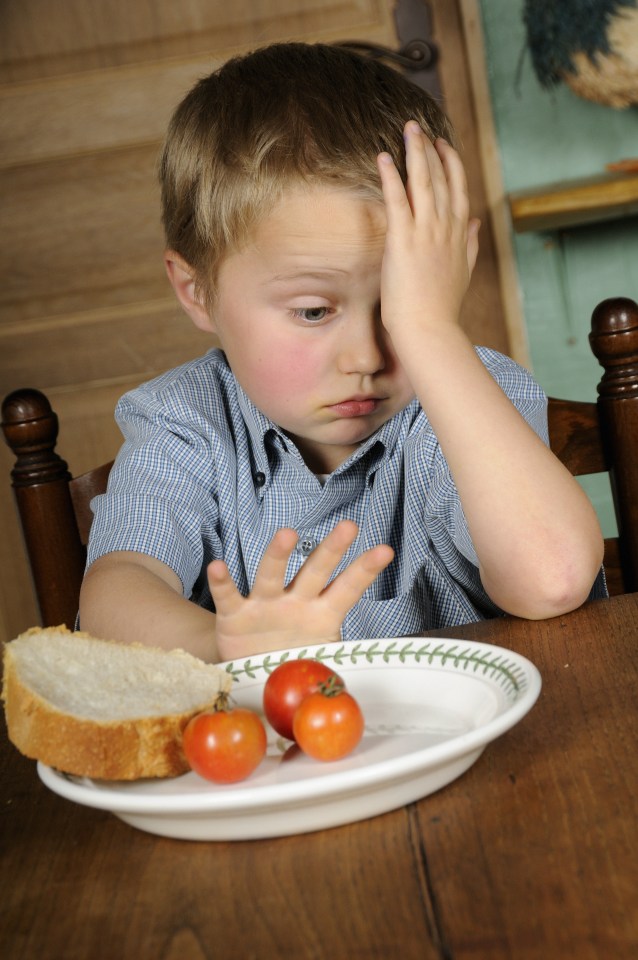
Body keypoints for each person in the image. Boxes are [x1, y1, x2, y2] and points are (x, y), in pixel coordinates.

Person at [79, 42, 605, 663]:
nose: (367, 356)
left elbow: (553, 578)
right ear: (198, 291)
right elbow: (116, 592)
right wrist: (225, 646)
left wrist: (431, 329)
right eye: (312, 311)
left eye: (396, 305)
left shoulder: (467, 395)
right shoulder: (185, 422)